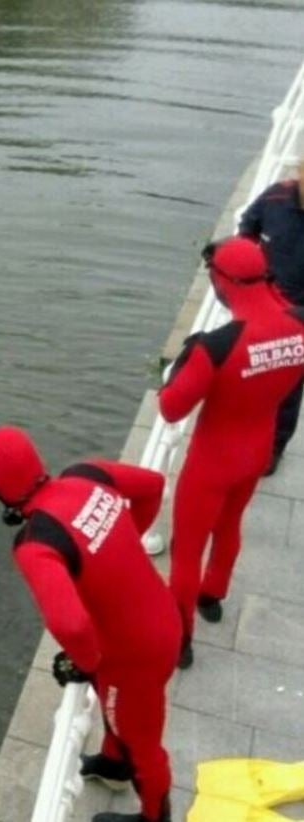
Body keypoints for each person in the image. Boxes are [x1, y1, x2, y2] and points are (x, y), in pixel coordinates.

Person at [0, 426, 179, 822]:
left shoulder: (36, 542)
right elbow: (153, 485)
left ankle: (156, 817)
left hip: (133, 657)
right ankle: (114, 764)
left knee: (145, 747)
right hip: (161, 613)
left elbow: (70, 624)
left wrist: (86, 662)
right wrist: (117, 545)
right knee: (118, 713)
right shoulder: (86, 474)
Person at [159, 237, 304, 668]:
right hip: (257, 450)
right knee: (230, 526)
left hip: (211, 462)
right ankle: (213, 594)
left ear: (222, 281)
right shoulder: (299, 325)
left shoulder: (215, 345)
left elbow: (171, 408)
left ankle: (181, 638)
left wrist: (181, 364)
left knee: (186, 548)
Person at [237, 158, 304, 474]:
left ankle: (274, 447)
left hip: (299, 319)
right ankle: (244, 430)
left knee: (289, 386)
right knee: (248, 370)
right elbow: (248, 227)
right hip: (261, 306)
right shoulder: (275, 198)